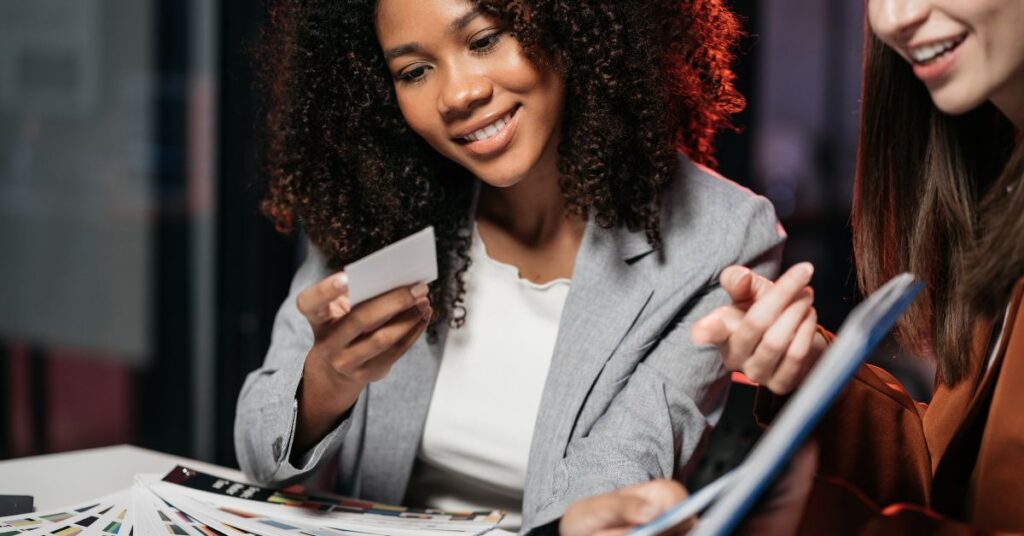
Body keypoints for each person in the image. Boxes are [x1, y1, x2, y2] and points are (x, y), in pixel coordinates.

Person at [234, 0, 785, 533]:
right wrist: (329, 379)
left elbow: (619, 476)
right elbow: (261, 458)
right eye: (415, 70)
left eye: (484, 39)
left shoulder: (720, 236)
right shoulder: (378, 208)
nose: (459, 93)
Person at [561, 0, 1024, 532]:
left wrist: (790, 520)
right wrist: (813, 371)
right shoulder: (1002, 189)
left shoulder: (721, 224)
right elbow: (947, 480)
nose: (894, 18)